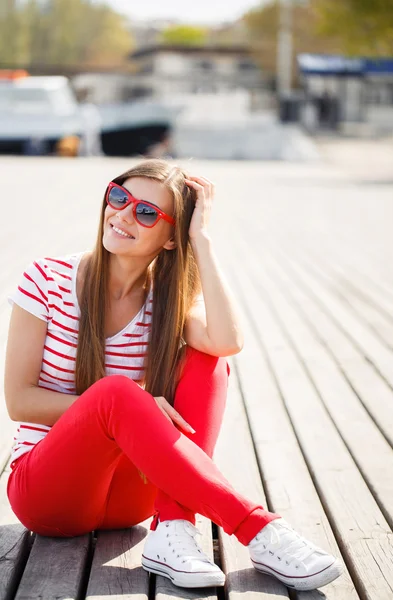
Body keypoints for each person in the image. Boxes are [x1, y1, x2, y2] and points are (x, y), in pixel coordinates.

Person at [4, 159, 343, 592]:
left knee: (206, 359)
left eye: (147, 213)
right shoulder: (47, 279)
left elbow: (227, 342)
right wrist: (126, 405)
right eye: (119, 197)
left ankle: (174, 526)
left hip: (129, 500)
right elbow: (20, 401)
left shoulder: (165, 302)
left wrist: (200, 238)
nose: (124, 214)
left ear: (170, 239)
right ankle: (259, 528)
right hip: (48, 493)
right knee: (117, 393)